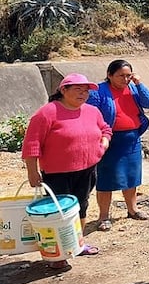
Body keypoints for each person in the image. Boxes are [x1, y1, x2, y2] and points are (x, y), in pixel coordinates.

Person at [22, 73, 112, 269]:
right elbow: (31, 144)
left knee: (81, 205)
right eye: (78, 89)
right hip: (57, 172)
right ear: (63, 90)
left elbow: (105, 129)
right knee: (58, 212)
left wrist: (103, 144)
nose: (83, 94)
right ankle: (58, 253)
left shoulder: (92, 111)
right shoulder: (47, 113)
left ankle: (77, 244)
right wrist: (32, 171)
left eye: (86, 91)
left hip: (87, 168)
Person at [87, 59, 149, 230]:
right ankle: (103, 217)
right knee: (106, 179)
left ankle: (132, 210)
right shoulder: (99, 91)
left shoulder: (133, 88)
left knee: (131, 177)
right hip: (109, 140)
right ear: (109, 75)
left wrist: (139, 84)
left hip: (132, 139)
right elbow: (90, 114)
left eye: (128, 76)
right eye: (120, 76)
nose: (125, 79)